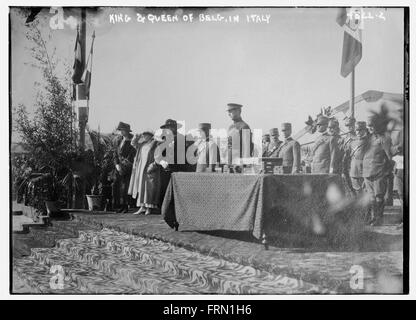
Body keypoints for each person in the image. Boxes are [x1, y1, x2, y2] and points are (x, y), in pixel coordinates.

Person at [362, 116, 393, 226]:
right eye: (368, 126)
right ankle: (373, 218)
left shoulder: (384, 138)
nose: (369, 128)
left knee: (379, 196)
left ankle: (379, 219)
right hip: (367, 172)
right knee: (371, 197)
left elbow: (389, 157)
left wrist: (387, 172)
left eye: (372, 126)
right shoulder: (368, 139)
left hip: (379, 172)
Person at [128, 130, 161, 215]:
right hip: (141, 168)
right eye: (143, 135)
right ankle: (142, 207)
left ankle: (149, 208)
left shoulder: (155, 144)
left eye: (146, 135)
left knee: (149, 188)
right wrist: (136, 137)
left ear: (150, 136)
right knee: (141, 188)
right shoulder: (142, 144)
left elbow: (158, 157)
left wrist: (153, 166)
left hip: (150, 169)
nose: (144, 137)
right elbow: (133, 144)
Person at [111, 122, 136, 213]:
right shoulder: (118, 140)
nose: (121, 132)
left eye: (122, 130)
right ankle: (118, 206)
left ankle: (125, 206)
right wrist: (117, 165)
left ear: (127, 131)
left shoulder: (132, 140)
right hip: (118, 167)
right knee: (116, 185)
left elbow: (132, 155)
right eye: (120, 130)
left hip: (127, 167)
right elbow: (115, 153)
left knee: (125, 187)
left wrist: (124, 166)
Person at [346, 121, 368, 197]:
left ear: (365, 130)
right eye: (357, 130)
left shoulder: (369, 142)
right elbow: (348, 156)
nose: (358, 132)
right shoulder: (352, 142)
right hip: (353, 171)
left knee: (365, 193)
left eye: (360, 130)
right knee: (357, 192)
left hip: (364, 171)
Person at [341, 117, 357, 193]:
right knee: (349, 186)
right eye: (347, 126)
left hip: (355, 165)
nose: (349, 127)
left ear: (354, 125)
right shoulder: (345, 138)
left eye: (351, 125)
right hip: (347, 165)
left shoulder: (358, 137)